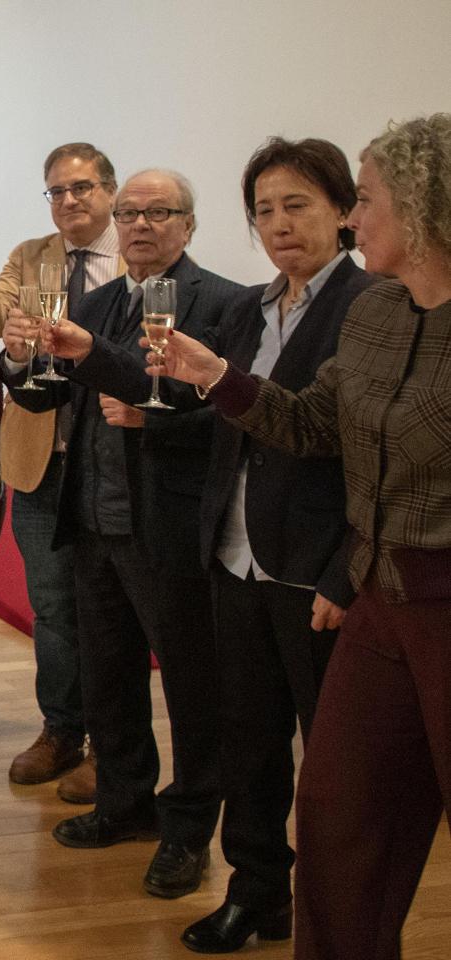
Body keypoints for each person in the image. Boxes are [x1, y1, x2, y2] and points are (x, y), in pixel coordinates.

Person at [152, 114, 451, 960]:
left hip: (434, 599)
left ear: (426, 209)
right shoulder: (381, 315)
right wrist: (214, 374)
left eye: (365, 201)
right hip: (382, 601)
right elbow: (316, 423)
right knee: (339, 822)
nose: (355, 221)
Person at [11, 169, 243, 899]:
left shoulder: (225, 304)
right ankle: (124, 803)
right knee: (108, 676)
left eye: (159, 212)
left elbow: (237, 419)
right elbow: (46, 389)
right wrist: (19, 357)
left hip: (167, 525)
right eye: (133, 214)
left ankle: (187, 832)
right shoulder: (101, 302)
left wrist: (158, 420)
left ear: (189, 224)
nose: (141, 225)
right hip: (92, 518)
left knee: (189, 684)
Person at [176, 138, 372, 954]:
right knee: (248, 742)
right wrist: (95, 363)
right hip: (236, 556)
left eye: (297, 204)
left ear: (343, 211)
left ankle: (336, 918)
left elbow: (375, 456)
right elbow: (202, 401)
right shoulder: (249, 307)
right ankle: (255, 893)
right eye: (263, 209)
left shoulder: (371, 307)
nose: (279, 224)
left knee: (332, 767)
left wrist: (345, 571)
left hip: (316, 573)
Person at [0, 142, 125, 801]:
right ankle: (61, 731)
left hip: (114, 462)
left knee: (112, 611)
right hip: (42, 460)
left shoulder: (137, 259)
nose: (69, 201)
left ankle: (114, 746)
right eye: (57, 191)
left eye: (82, 188)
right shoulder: (31, 256)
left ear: (109, 190)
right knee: (51, 606)